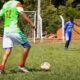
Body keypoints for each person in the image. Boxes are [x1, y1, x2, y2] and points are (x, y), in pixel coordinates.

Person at [0, 0, 35, 74]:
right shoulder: (17, 3)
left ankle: (1, 68)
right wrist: (31, 23)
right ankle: (21, 66)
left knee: (8, 50)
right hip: (14, 29)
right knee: (27, 46)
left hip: (6, 31)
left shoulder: (5, 5)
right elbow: (22, 14)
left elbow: (0, 17)